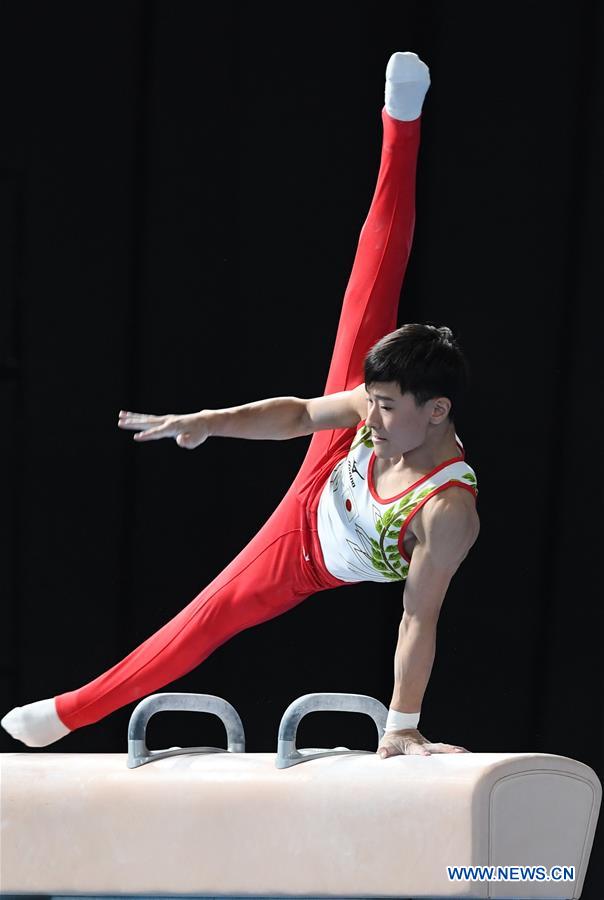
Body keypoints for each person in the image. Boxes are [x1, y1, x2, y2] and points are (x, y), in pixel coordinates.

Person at [1, 52, 480, 758]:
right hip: (329, 474)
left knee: (205, 620)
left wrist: (400, 727)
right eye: (368, 402)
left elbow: (418, 618)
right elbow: (296, 415)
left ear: (436, 412)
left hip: (313, 550)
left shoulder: (448, 511)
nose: (367, 415)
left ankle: (72, 712)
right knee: (371, 279)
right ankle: (400, 123)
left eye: (383, 406)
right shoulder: (372, 418)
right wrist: (205, 422)